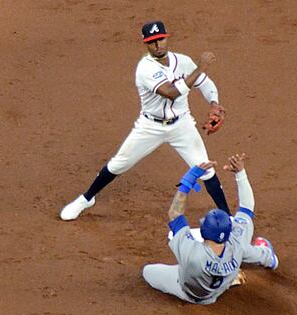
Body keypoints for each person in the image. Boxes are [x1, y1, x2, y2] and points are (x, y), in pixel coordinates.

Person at [60, 20, 230, 221]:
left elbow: (205, 84)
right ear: (145, 44)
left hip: (182, 125)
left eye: (160, 39)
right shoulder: (145, 68)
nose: (158, 45)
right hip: (150, 126)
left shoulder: (183, 62)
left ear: (167, 38)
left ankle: (229, 217)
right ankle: (87, 198)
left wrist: (214, 103)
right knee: (118, 165)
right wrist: (200, 67)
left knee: (205, 169)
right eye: (152, 42)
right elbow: (171, 93)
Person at [142, 153, 278, 305]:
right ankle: (268, 259)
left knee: (147, 271)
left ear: (203, 232)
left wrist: (188, 181)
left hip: (186, 290)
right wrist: (240, 173)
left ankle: (236, 275)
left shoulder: (191, 253)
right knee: (247, 251)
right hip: (216, 290)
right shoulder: (236, 241)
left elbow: (175, 213)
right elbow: (247, 208)